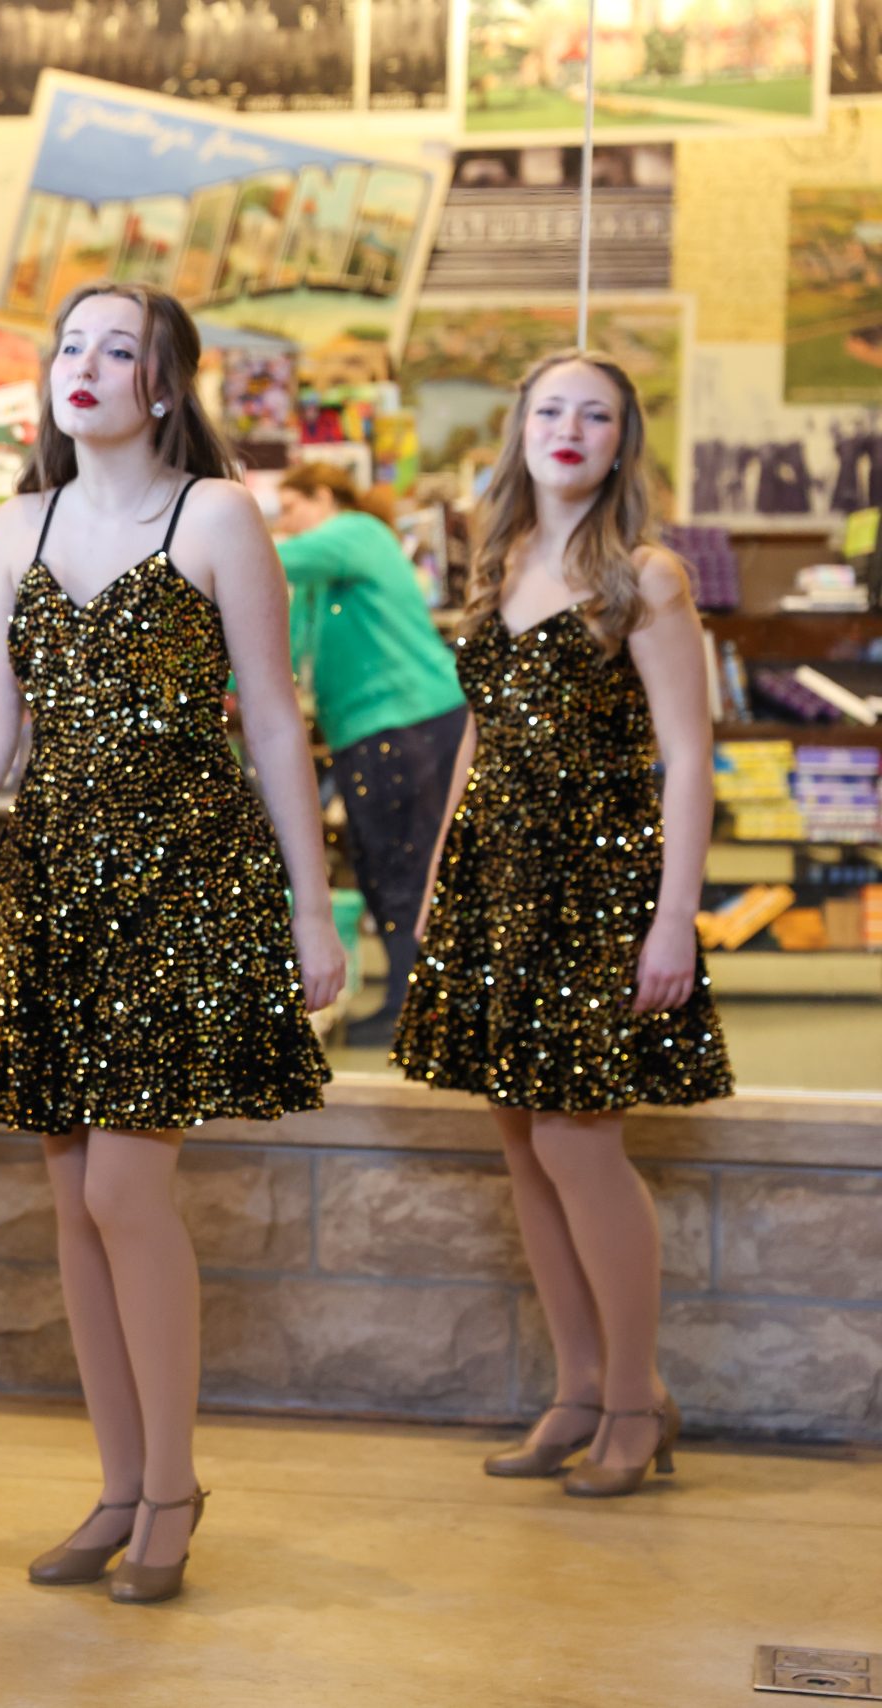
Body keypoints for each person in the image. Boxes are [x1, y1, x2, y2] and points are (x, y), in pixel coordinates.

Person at [0, 282, 342, 1606]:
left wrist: (309, 906)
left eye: (120, 350)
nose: (86, 366)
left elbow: (273, 721)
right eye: (72, 345)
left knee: (123, 1192)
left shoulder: (217, 515)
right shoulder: (19, 525)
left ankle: (171, 1487)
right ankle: (118, 1486)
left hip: (184, 882)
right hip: (54, 883)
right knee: (72, 1198)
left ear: (163, 385)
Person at [394, 350, 729, 1498]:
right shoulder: (501, 560)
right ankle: (576, 1390)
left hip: (596, 890)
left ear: (622, 442)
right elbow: (478, 738)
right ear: (521, 430)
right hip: (495, 888)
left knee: (579, 1146)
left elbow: (689, 759)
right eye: (550, 409)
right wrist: (438, 887)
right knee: (522, 1146)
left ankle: (634, 1400)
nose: (569, 428)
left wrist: (673, 920)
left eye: (595, 414)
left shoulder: (646, 576)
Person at [272, 462, 468, 1045]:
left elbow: (270, 558)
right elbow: (288, 650)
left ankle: (419, 1010)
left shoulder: (356, 532)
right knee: (385, 865)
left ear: (325, 496)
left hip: (409, 720)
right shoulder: (320, 582)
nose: (287, 524)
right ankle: (413, 1003)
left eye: (292, 508)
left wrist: (211, 538)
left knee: (406, 864)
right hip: (375, 729)